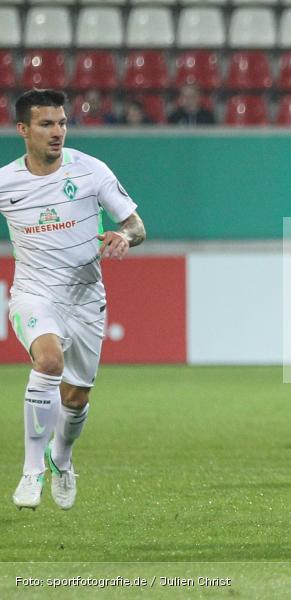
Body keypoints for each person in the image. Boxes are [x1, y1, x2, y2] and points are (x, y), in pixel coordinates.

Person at [1, 89, 146, 510]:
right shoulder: (6, 181)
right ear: (23, 130)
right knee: (47, 362)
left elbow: (136, 224)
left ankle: (62, 458)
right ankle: (32, 471)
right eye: (46, 124)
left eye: (62, 123)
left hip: (85, 299)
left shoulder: (90, 170)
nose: (58, 132)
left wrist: (124, 236)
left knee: (76, 398)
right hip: (33, 294)